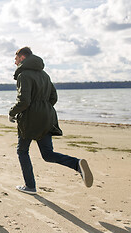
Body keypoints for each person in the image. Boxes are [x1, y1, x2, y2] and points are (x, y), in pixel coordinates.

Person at [9, 47, 93, 195]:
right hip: (47, 117)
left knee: (22, 151)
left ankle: (30, 186)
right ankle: (76, 164)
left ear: (22, 58)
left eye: (15, 58)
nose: (14, 61)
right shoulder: (44, 75)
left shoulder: (24, 75)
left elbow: (24, 101)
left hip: (30, 120)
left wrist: (12, 113)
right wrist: (43, 108)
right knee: (48, 154)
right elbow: (54, 97)